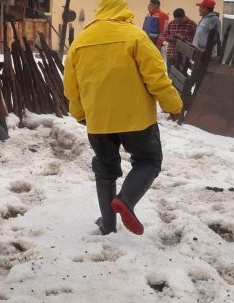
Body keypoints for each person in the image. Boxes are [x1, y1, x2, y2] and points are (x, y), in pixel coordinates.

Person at [64, 0, 183, 236]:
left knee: (105, 170)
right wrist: (173, 105)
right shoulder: (136, 37)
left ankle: (108, 225)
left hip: (99, 121)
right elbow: (157, 78)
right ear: (124, 11)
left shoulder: (81, 41)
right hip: (136, 119)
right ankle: (127, 199)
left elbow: (71, 86)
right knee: (148, 161)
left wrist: (79, 113)